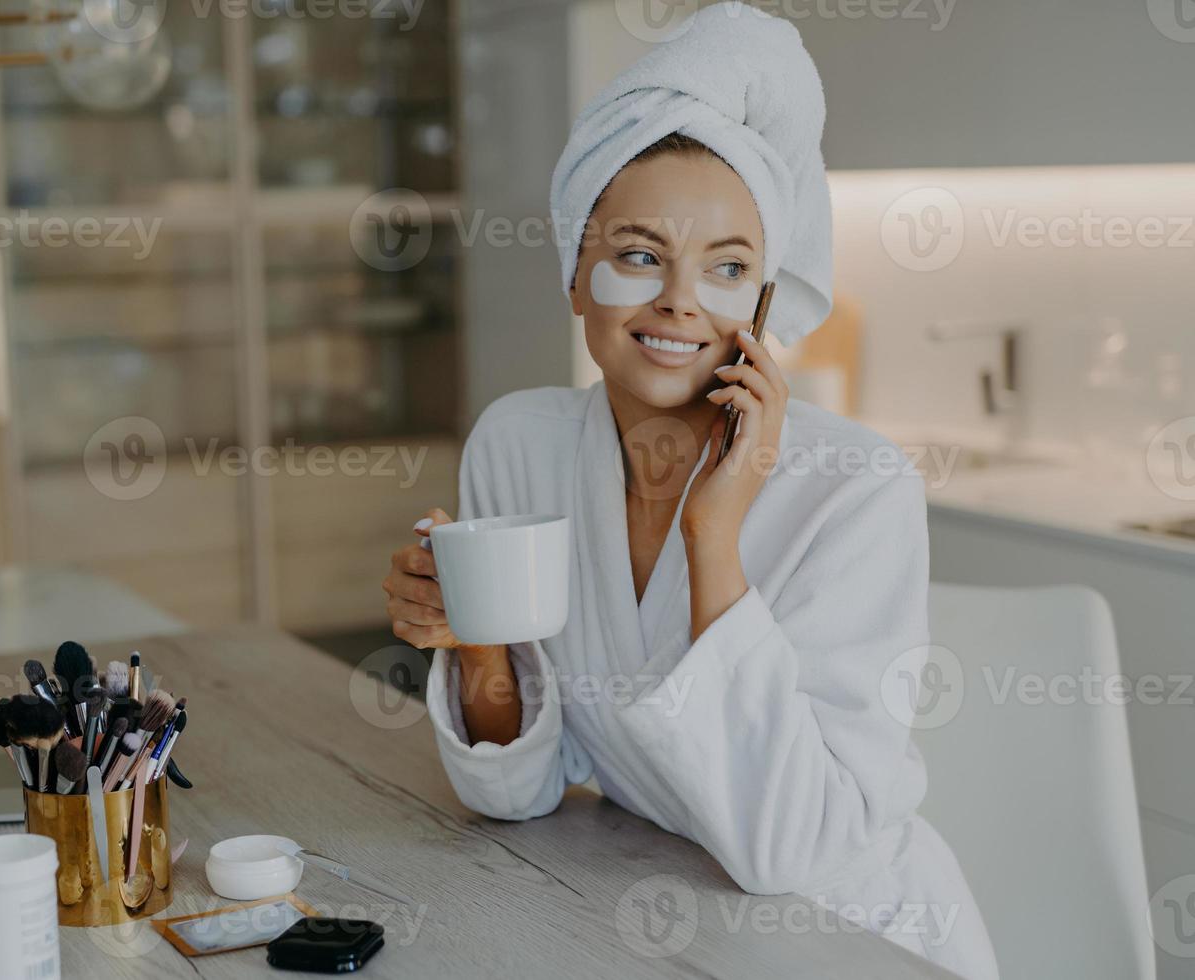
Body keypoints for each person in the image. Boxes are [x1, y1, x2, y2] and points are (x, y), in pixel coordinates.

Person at [380, 6, 997, 977]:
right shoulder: (520, 446)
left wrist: (715, 539)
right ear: (575, 272)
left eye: (728, 267)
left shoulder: (857, 490)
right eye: (637, 255)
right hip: (655, 914)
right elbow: (519, 793)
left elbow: (795, 852)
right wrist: (477, 642)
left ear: (761, 301)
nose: (680, 300)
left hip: (858, 937)